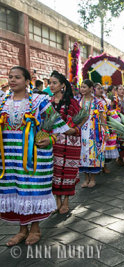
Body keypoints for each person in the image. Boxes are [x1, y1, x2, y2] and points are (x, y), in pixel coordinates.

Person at [0, 66, 69, 246]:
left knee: (32, 191)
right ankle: (22, 230)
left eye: (17, 77)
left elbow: (59, 127)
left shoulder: (40, 101)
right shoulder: (2, 101)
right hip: (9, 158)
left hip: (35, 158)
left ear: (27, 81)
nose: (12, 80)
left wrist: (50, 139)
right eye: (10, 77)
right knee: (15, 191)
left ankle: (35, 229)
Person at [50, 71, 83, 214]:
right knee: (54, 171)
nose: (51, 85)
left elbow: (84, 117)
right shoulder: (48, 102)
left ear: (62, 85)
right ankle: (57, 200)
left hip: (70, 142)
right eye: (49, 82)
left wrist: (74, 129)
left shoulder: (71, 101)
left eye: (54, 83)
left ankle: (66, 202)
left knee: (68, 172)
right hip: (54, 142)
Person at [77, 79, 108, 188]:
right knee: (83, 154)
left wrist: (106, 130)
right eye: (81, 87)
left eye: (85, 87)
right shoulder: (79, 101)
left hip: (94, 131)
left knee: (93, 153)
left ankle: (93, 178)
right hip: (82, 130)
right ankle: (86, 178)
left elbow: (102, 118)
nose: (82, 89)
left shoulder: (98, 102)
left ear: (91, 88)